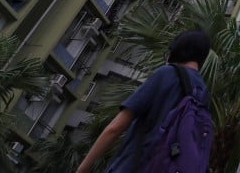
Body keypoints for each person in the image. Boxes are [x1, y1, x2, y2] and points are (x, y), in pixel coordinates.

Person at [76, 29, 211, 173]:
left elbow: (115, 128)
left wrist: (82, 168)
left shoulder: (166, 74)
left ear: (179, 48)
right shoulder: (204, 93)